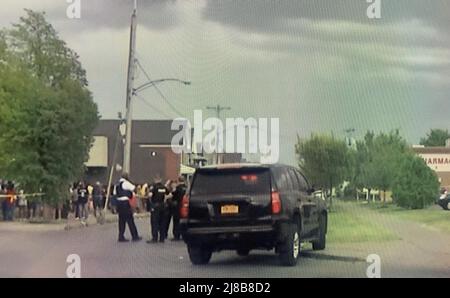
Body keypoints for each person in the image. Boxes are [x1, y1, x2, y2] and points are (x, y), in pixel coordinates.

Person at [116, 173, 141, 242]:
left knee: (121, 221)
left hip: (119, 203)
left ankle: (121, 236)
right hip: (125, 203)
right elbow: (134, 188)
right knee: (130, 220)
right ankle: (135, 236)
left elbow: (115, 193)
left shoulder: (117, 185)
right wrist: (130, 192)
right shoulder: (126, 183)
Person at [146, 176, 170, 243]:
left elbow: (150, 195)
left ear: (155, 180)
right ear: (161, 180)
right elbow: (169, 194)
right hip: (163, 206)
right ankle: (162, 238)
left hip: (155, 206)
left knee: (155, 222)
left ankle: (155, 238)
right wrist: (164, 199)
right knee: (162, 222)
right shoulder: (164, 187)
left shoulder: (153, 187)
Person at [167, 176, 187, 241]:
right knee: (184, 221)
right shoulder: (187, 188)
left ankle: (176, 235)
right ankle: (183, 235)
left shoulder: (177, 188)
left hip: (177, 207)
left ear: (178, 180)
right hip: (185, 207)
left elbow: (172, 195)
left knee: (176, 221)